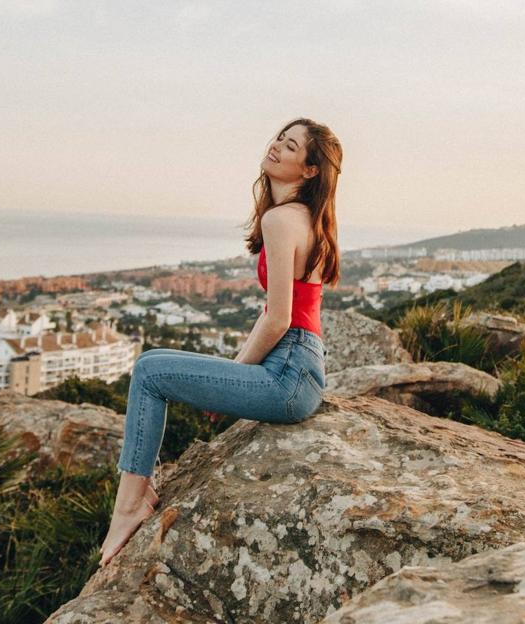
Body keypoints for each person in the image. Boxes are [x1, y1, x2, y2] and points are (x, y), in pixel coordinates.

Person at [99, 117, 343, 567]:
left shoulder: (281, 219)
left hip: (287, 373)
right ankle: (137, 492)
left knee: (150, 372)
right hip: (299, 367)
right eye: (278, 139)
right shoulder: (306, 218)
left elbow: (279, 320)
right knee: (152, 363)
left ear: (310, 170)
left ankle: (132, 502)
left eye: (291, 147)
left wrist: (242, 373)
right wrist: (236, 371)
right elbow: (271, 315)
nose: (276, 148)